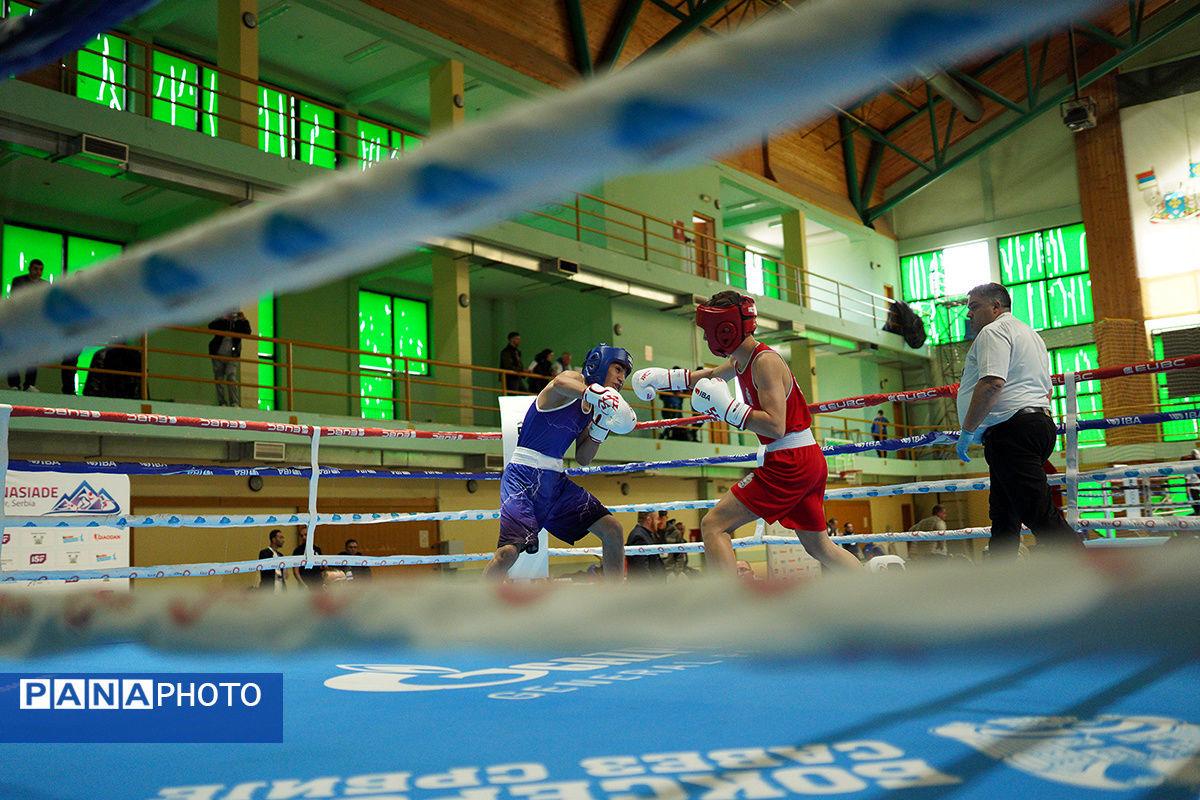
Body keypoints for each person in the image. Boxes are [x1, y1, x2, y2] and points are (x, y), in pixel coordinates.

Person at [632, 290, 860, 572]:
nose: (705, 338)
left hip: (791, 459)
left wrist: (728, 410)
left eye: (708, 331)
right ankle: (873, 592)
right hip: (803, 457)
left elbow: (776, 425)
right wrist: (665, 378)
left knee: (713, 524)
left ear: (725, 329)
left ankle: (733, 604)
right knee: (819, 547)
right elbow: (711, 377)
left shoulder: (764, 362)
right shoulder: (743, 359)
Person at [482, 343, 635, 580]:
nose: (622, 378)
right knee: (508, 553)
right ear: (600, 363)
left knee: (612, 529)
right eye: (618, 369)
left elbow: (583, 458)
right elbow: (558, 383)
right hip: (523, 476)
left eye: (625, 373)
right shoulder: (574, 379)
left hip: (555, 482)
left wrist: (602, 425)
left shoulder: (595, 407)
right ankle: (476, 605)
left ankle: (616, 603)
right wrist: (594, 394)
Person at [955, 282, 1083, 558]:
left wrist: (967, 430)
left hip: (1012, 432)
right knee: (1003, 514)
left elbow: (991, 383)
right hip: (1036, 425)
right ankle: (1002, 580)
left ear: (995, 307)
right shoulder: (1030, 334)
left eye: (974, 307)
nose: (969, 315)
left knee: (1038, 514)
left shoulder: (993, 331)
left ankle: (1089, 573)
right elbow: (1047, 389)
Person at [7, 258, 50, 391]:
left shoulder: (45, 284)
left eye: (41, 269)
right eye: (36, 269)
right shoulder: (18, 281)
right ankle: (14, 384)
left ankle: (29, 384)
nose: (38, 272)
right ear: (30, 269)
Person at [207, 309, 251, 406]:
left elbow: (247, 332)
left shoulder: (238, 324)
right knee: (219, 378)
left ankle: (234, 402)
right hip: (218, 354)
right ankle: (222, 402)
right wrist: (224, 319)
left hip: (233, 356)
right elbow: (211, 326)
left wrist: (243, 320)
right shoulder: (221, 322)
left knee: (231, 377)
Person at [625, 510, 665, 578]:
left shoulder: (645, 534)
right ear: (648, 520)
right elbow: (642, 569)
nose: (659, 522)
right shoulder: (639, 537)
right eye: (657, 519)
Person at [499, 330, 526, 394]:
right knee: (513, 394)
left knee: (526, 393)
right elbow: (508, 366)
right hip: (510, 377)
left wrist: (522, 370)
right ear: (512, 339)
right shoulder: (506, 352)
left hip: (517, 377)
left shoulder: (517, 352)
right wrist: (521, 370)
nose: (519, 341)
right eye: (517, 339)